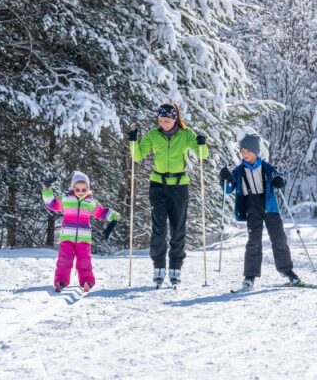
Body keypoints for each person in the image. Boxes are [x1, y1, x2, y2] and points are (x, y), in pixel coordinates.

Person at [129, 102, 208, 286]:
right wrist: (133, 141)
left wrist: (201, 143)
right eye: (161, 120)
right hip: (158, 185)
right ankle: (158, 267)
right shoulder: (153, 135)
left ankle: (175, 267)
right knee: (159, 228)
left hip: (179, 186)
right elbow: (138, 156)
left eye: (166, 120)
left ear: (174, 119)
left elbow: (203, 155)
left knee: (178, 228)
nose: (163, 123)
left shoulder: (186, 134)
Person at [219, 133, 301, 289]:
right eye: (242, 152)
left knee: (279, 240)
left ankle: (288, 271)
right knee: (254, 242)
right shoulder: (239, 170)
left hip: (270, 207)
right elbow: (228, 189)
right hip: (252, 208)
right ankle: (250, 276)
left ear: (256, 152)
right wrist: (224, 179)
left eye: (247, 151)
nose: (244, 155)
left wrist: (279, 180)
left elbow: (279, 177)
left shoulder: (266, 168)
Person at [42, 171, 120, 293]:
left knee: (84, 261)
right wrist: (47, 189)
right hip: (67, 237)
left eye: (84, 190)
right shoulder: (66, 199)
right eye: (77, 189)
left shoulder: (91, 202)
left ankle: (87, 281)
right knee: (64, 260)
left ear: (88, 189)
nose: (80, 192)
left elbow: (101, 212)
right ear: (73, 188)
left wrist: (113, 215)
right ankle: (61, 281)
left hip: (84, 239)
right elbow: (51, 203)